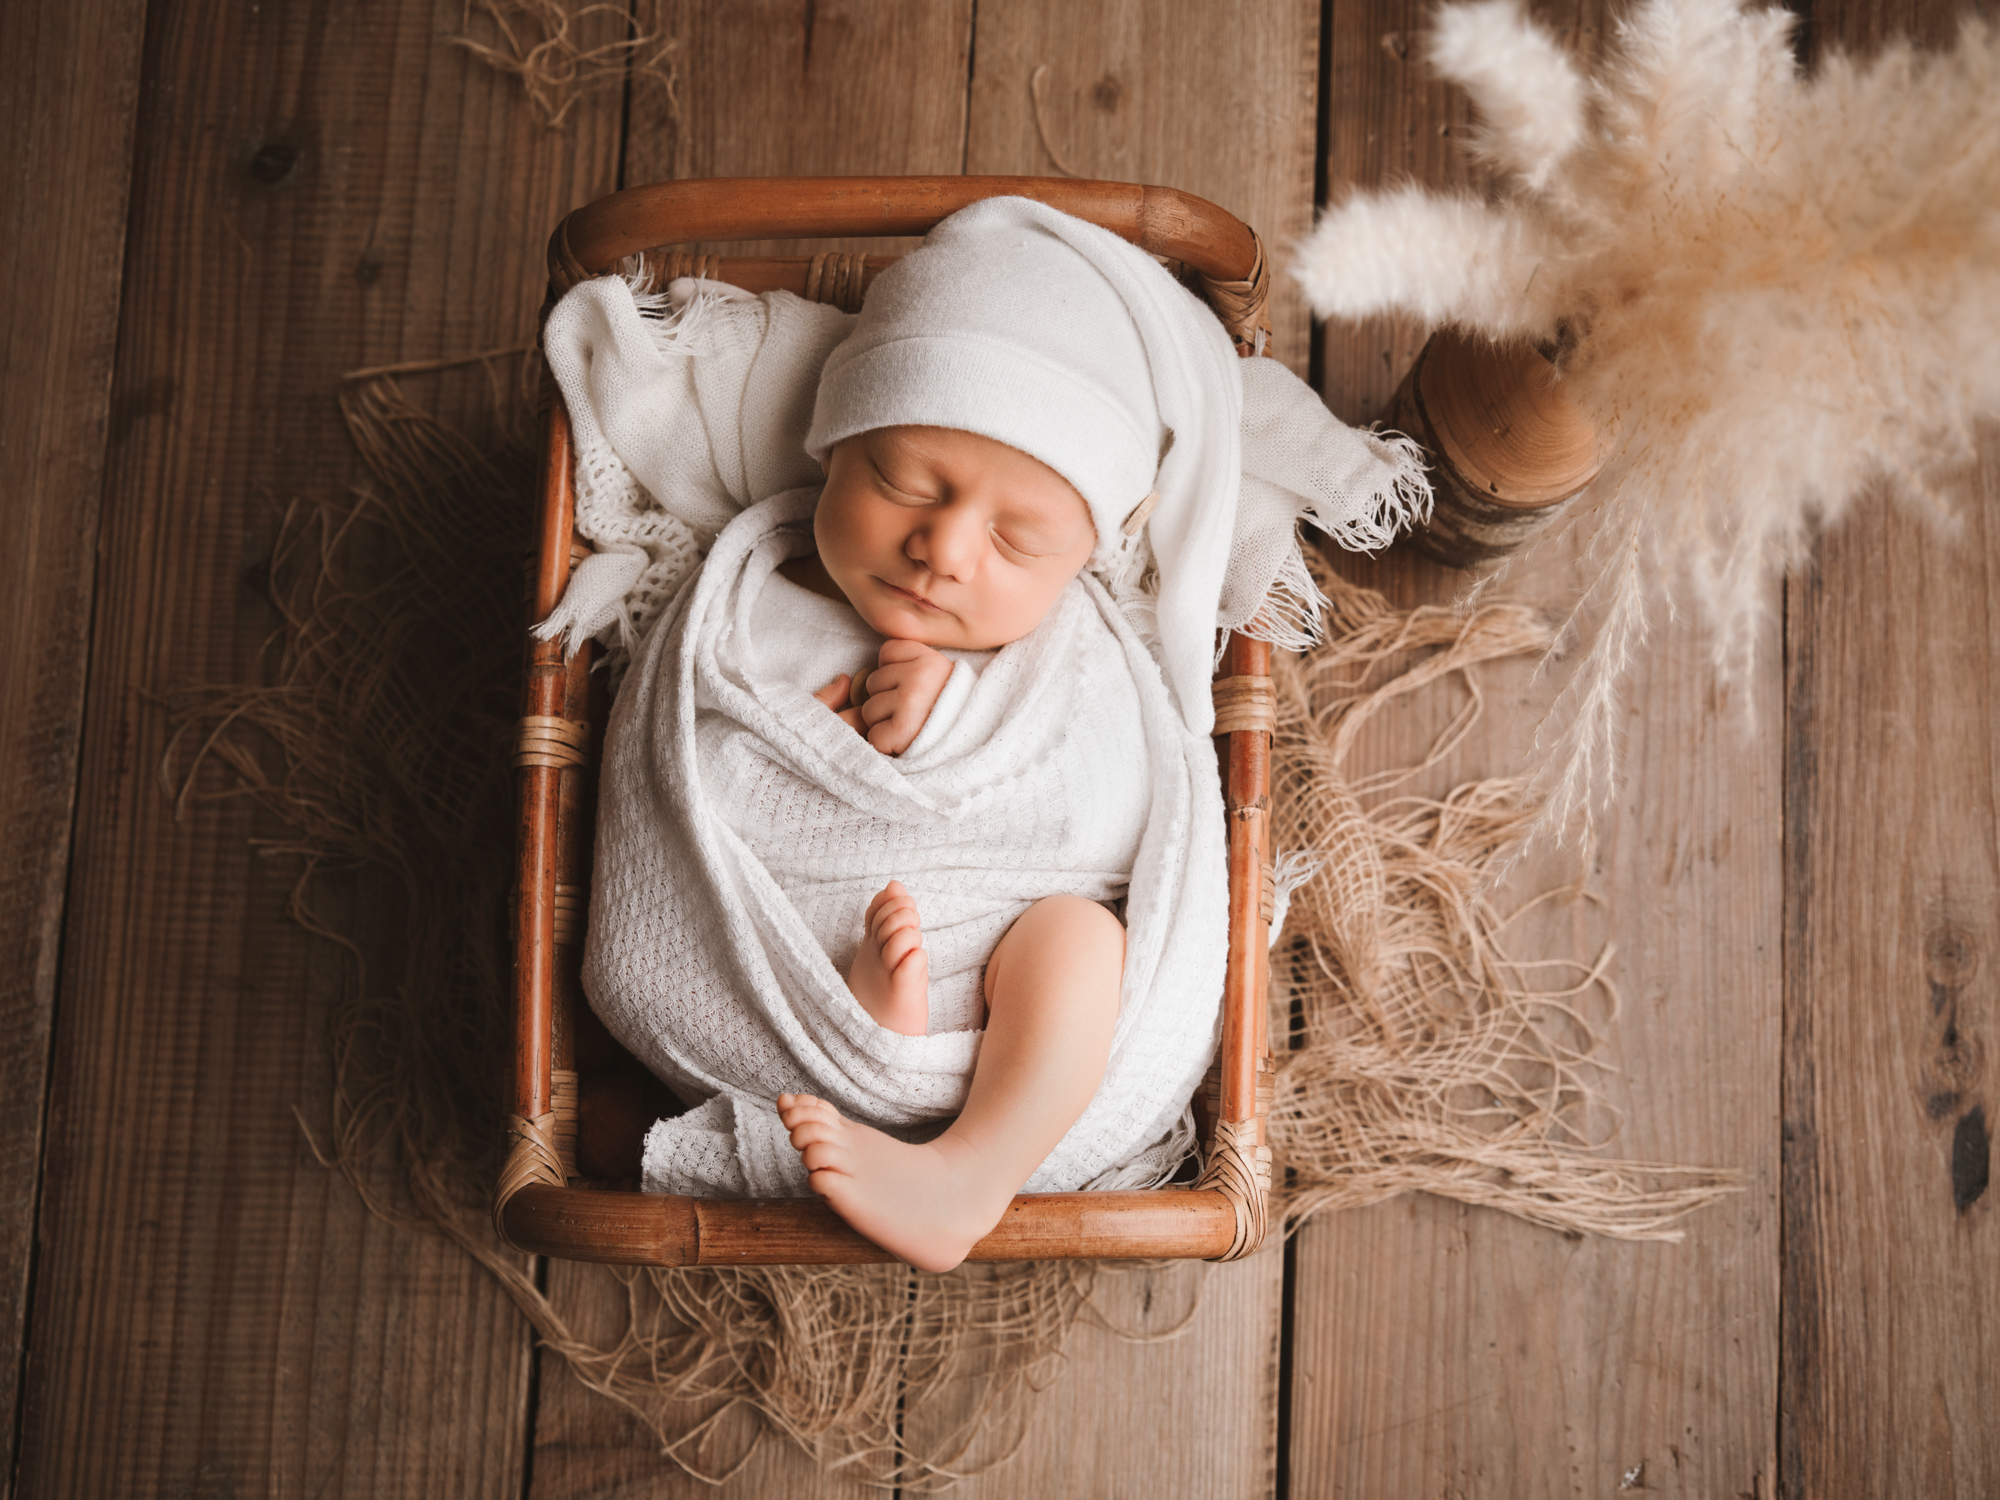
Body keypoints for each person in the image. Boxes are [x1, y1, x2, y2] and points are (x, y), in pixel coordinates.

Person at [538, 193, 1429, 1274]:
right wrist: (794, 745)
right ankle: (868, 1038)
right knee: (631, 988)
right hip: (778, 952)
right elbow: (669, 767)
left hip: (1003, 971)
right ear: (834, 445)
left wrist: (958, 716)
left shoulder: (1073, 649)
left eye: (1017, 538)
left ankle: (971, 1163)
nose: (943, 549)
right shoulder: (742, 590)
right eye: (900, 480)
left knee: (1077, 942)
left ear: (1076, 563)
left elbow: (1104, 805)